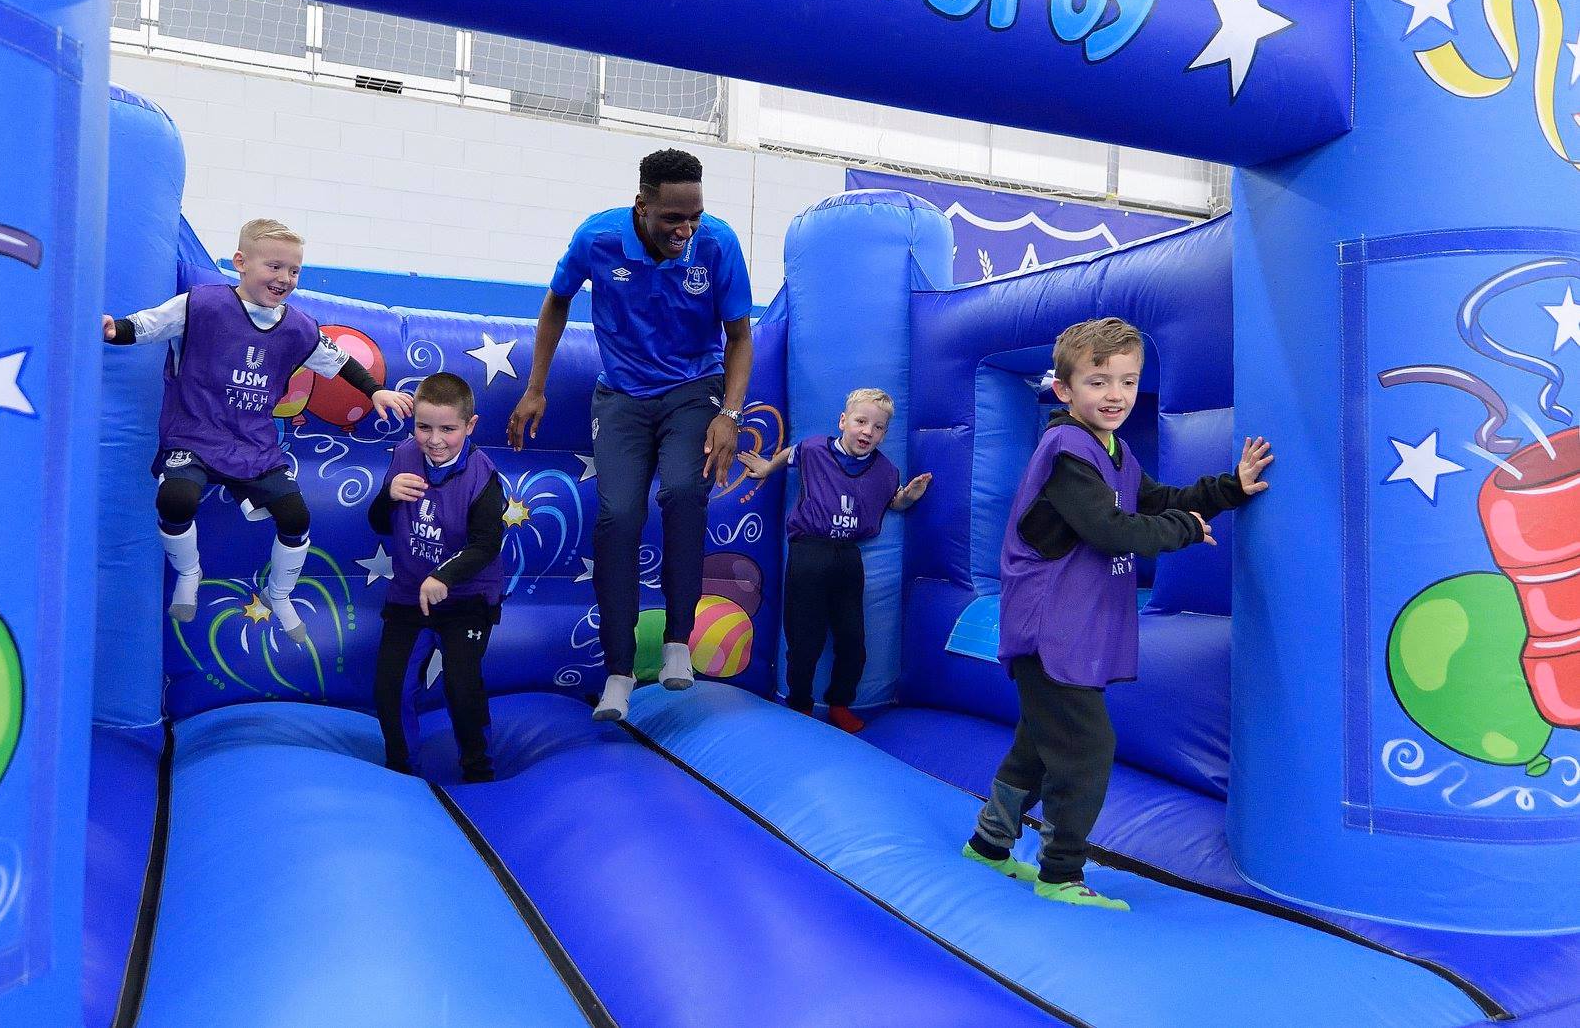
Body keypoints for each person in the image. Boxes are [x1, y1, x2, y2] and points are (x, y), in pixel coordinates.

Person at [961, 318, 1271, 911]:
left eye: (1127, 381)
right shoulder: (1066, 452)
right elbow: (1109, 529)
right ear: (1064, 390)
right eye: (1099, 381)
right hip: (1049, 632)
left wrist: (1229, 489)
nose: (1116, 395)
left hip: (1071, 633)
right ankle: (1060, 871)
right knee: (1088, 749)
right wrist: (1184, 530)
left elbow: (1154, 500)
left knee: (1037, 743)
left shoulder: (1112, 451)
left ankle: (989, 843)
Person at [508, 148, 753, 721]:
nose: (685, 229)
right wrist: (536, 386)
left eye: (694, 215)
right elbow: (556, 303)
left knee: (684, 492)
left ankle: (676, 641)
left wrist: (731, 415)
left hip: (695, 388)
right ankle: (618, 671)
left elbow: (740, 337)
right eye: (672, 217)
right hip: (622, 396)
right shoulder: (597, 238)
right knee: (617, 517)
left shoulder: (716, 244)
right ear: (642, 207)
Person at [104, 217, 412, 641]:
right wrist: (113, 330)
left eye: (293, 270)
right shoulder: (202, 305)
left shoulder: (299, 327)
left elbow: (337, 361)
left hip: (253, 444)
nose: (284, 278)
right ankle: (189, 573)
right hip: (195, 433)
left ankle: (278, 593)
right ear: (241, 263)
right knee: (176, 499)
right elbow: (148, 325)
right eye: (274, 267)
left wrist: (375, 391)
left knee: (296, 516)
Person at [738, 387, 931, 733]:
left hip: (847, 556)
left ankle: (841, 702)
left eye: (878, 427)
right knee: (804, 638)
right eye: (861, 422)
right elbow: (790, 454)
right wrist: (768, 466)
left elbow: (893, 502)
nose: (867, 432)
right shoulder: (815, 449)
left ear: (885, 434)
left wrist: (907, 497)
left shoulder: (885, 471)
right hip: (809, 551)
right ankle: (800, 703)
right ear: (844, 421)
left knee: (853, 639)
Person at [369, 372, 508, 783]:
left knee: (461, 685)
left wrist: (443, 577)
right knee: (389, 687)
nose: (434, 439)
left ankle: (478, 766)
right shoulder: (404, 456)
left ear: (470, 426)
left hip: (467, 598)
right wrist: (387, 494)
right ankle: (401, 770)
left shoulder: (483, 474)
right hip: (410, 595)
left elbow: (486, 545)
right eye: (424, 427)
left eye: (448, 429)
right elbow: (378, 523)